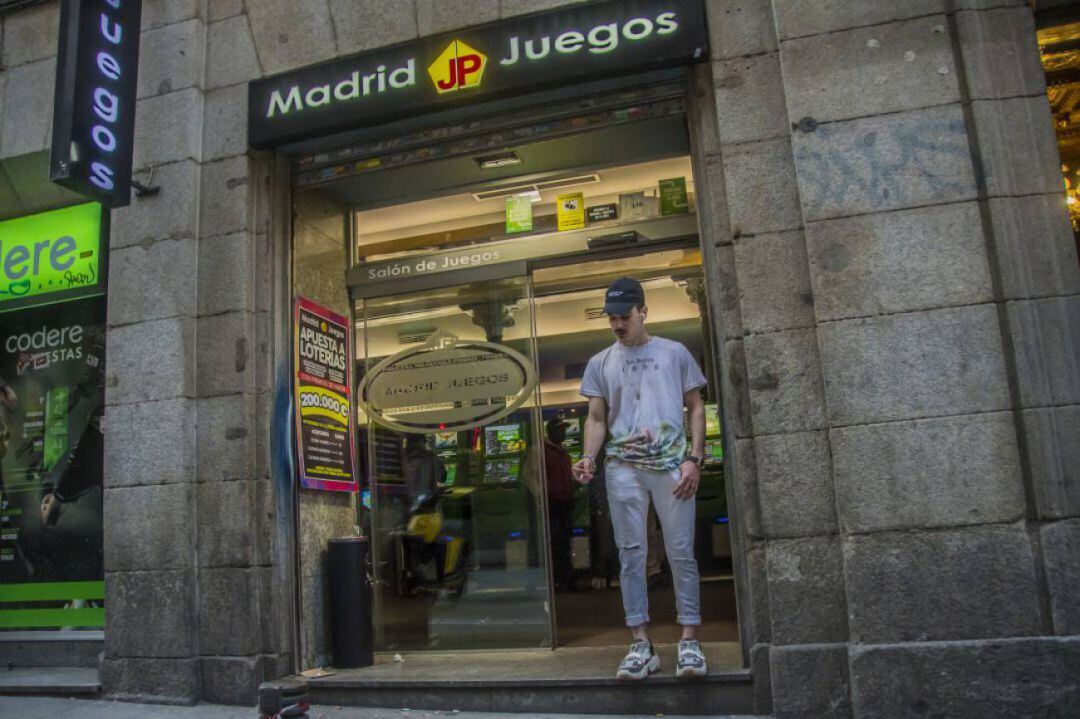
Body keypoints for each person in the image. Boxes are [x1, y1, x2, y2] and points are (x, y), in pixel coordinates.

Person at [572, 276, 708, 681]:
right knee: (630, 553)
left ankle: (689, 640)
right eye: (611, 318)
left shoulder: (674, 353)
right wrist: (587, 458)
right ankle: (640, 642)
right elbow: (596, 418)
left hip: (671, 466)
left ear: (643, 312)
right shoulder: (600, 362)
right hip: (622, 468)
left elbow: (696, 408)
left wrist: (695, 459)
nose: (617, 324)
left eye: (624, 316)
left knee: (680, 550)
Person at [542, 417, 576, 591]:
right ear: (551, 432)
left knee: (564, 543)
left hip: (563, 502)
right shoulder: (544, 452)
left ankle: (566, 580)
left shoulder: (562, 452)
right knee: (556, 544)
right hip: (552, 504)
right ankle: (559, 581)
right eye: (560, 429)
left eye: (564, 429)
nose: (563, 433)